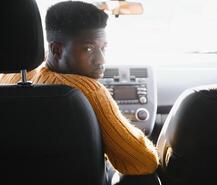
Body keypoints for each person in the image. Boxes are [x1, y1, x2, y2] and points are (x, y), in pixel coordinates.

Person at [0, 1, 158, 175]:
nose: (101, 60)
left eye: (104, 48)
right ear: (57, 50)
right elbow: (144, 162)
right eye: (89, 49)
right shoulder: (88, 90)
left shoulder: (7, 80)